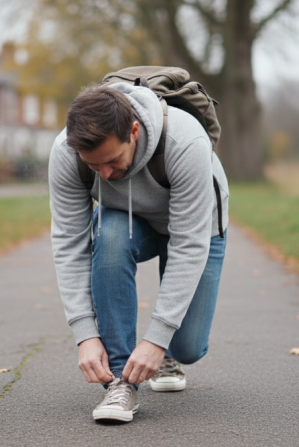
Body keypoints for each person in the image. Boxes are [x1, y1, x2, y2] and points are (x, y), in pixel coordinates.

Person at [48, 82, 229, 422]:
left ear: (133, 131)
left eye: (113, 160)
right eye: (94, 166)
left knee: (188, 347)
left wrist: (157, 341)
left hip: (198, 228)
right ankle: (121, 382)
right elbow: (69, 244)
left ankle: (165, 355)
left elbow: (189, 244)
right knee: (111, 235)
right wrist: (85, 335)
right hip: (127, 223)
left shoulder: (185, 140)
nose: (105, 174)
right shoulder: (65, 153)